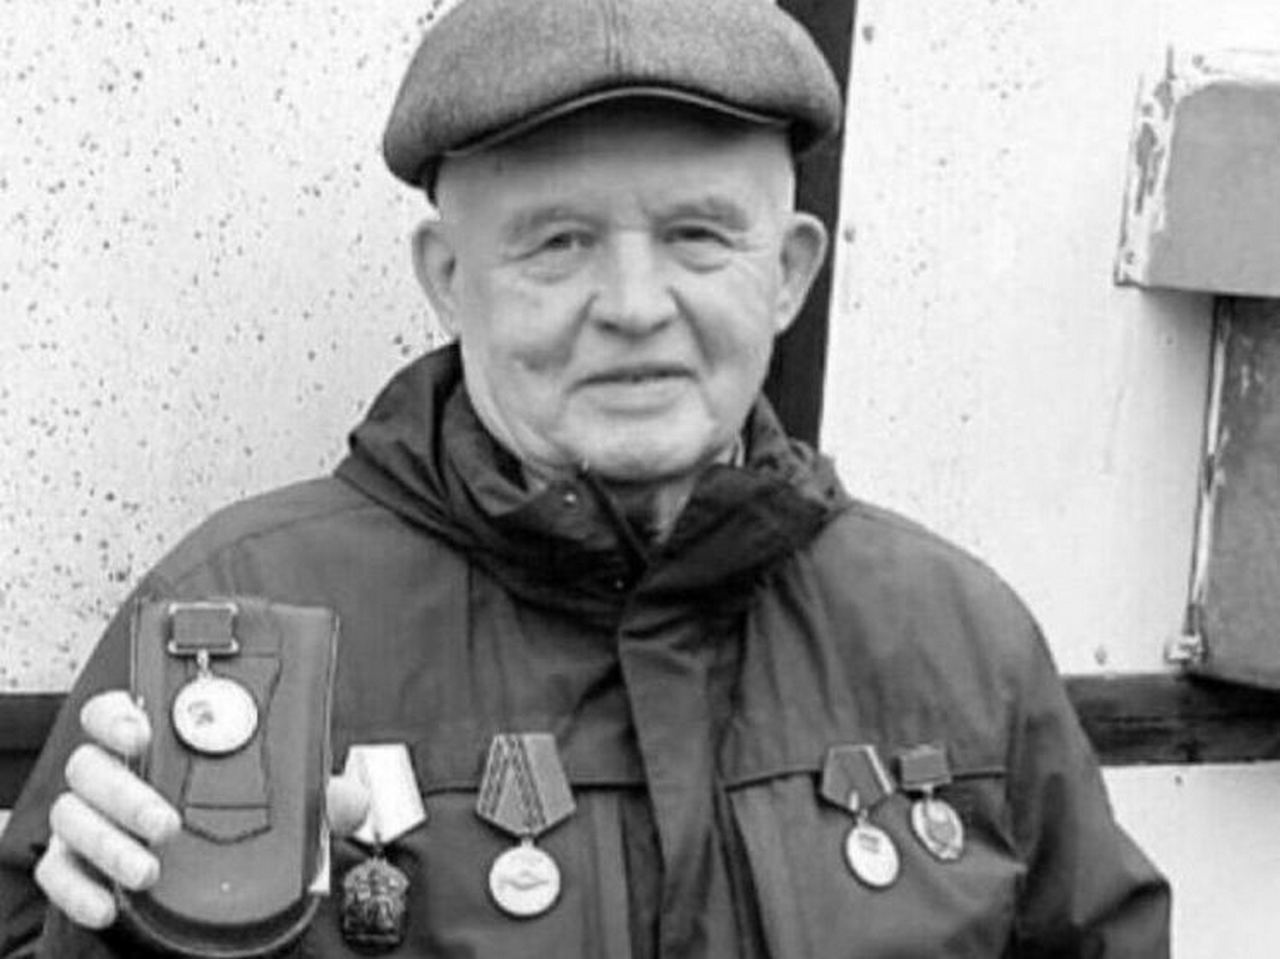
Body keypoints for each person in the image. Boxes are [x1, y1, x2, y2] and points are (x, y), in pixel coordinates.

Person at [0, 0, 1170, 955]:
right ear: (448, 276)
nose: (633, 305)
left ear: (787, 272)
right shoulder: (237, 614)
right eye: (558, 242)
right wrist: (117, 934)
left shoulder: (953, 638)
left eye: (698, 235)